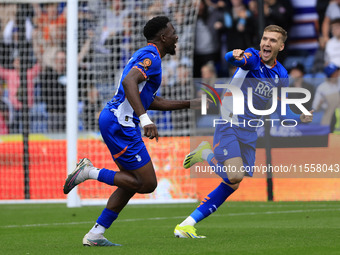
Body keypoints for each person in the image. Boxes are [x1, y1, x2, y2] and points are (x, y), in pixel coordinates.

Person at [63, 16, 200, 246]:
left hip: (118, 121)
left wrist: (189, 103)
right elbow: (129, 83)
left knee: (131, 181)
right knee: (147, 183)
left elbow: (149, 99)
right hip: (120, 123)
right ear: (163, 37)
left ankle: (96, 234)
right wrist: (145, 120)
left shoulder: (148, 55)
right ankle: (89, 172)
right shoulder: (151, 57)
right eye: (173, 33)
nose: (177, 37)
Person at [174, 25, 314, 238]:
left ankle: (187, 224)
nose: (267, 43)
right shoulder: (253, 57)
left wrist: (299, 116)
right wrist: (234, 54)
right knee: (235, 174)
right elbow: (234, 59)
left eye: (273, 40)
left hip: (250, 130)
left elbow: (277, 104)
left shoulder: (281, 74)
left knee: (234, 183)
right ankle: (205, 153)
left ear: (281, 46)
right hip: (229, 122)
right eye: (265, 39)